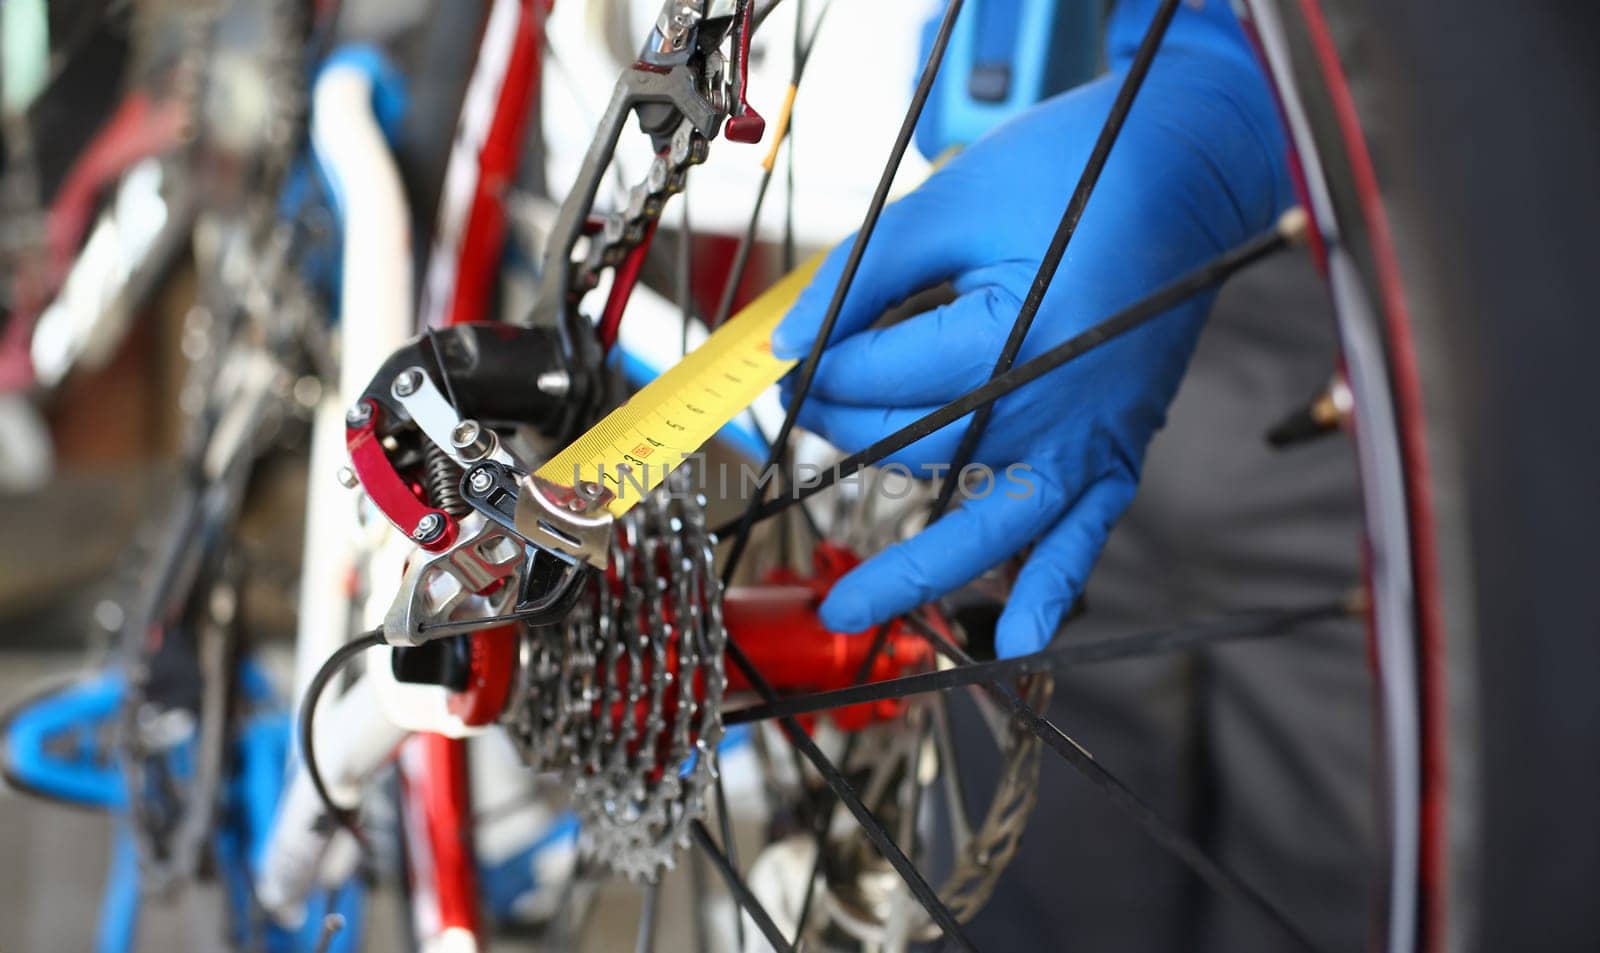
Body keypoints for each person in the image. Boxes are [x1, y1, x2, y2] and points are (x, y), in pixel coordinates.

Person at [773, 1, 1374, 949]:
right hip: (1049, 280)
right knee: (1029, 866)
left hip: (1396, 325)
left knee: (1339, 880)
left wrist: (1232, 70)